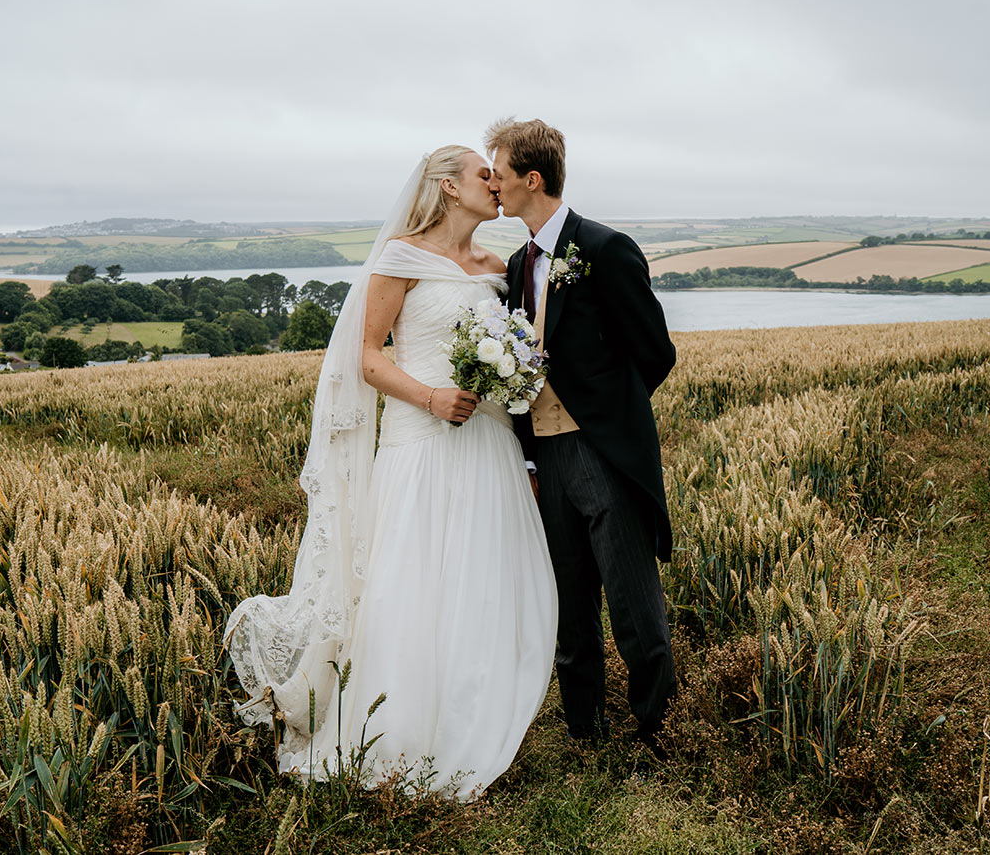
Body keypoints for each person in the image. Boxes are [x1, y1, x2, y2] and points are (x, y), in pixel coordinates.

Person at [223, 146, 558, 799]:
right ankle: (398, 726)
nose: (496, 183)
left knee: (483, 580)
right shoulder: (401, 256)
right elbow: (368, 358)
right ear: (448, 186)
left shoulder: (497, 267)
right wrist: (431, 398)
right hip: (419, 440)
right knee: (411, 582)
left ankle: (471, 711)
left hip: (488, 442)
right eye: (483, 174)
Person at [486, 118, 677, 753]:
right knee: (569, 604)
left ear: (532, 179)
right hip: (545, 455)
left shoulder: (604, 248)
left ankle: (657, 731)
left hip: (602, 450)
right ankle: (584, 733)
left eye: (500, 173)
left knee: (632, 603)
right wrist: (531, 458)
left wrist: (606, 417)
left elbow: (655, 352)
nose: (494, 184)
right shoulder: (519, 264)